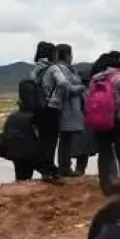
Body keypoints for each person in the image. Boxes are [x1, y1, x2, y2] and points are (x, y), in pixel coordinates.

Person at [87, 51, 120, 195]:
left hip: (101, 122)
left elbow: (89, 101)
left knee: (104, 154)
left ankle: (106, 187)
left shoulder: (95, 79)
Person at [31, 41, 81, 180]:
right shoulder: (53, 68)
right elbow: (63, 83)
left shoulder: (36, 68)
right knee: (52, 140)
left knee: (43, 140)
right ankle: (50, 170)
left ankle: (44, 170)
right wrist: (56, 98)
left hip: (38, 108)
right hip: (51, 108)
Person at [55, 43, 89, 177]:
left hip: (71, 108)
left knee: (66, 138)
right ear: (67, 55)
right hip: (66, 108)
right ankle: (64, 167)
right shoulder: (61, 69)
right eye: (70, 54)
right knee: (65, 138)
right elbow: (65, 88)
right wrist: (80, 88)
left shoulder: (69, 69)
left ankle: (65, 166)